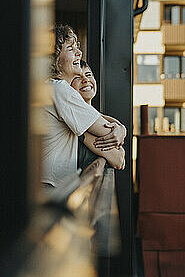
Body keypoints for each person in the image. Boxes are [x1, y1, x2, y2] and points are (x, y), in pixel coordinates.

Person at [41, 24, 124, 189]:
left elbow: (100, 122)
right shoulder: (60, 90)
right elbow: (111, 138)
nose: (79, 53)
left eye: (77, 47)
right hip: (49, 188)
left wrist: (120, 128)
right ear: (55, 58)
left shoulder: (50, 87)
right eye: (71, 49)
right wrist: (118, 129)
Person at [70, 60, 126, 170]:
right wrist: (120, 131)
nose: (85, 80)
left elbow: (98, 116)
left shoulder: (94, 118)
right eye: (77, 77)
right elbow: (119, 161)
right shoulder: (75, 121)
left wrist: (121, 128)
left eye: (88, 74)